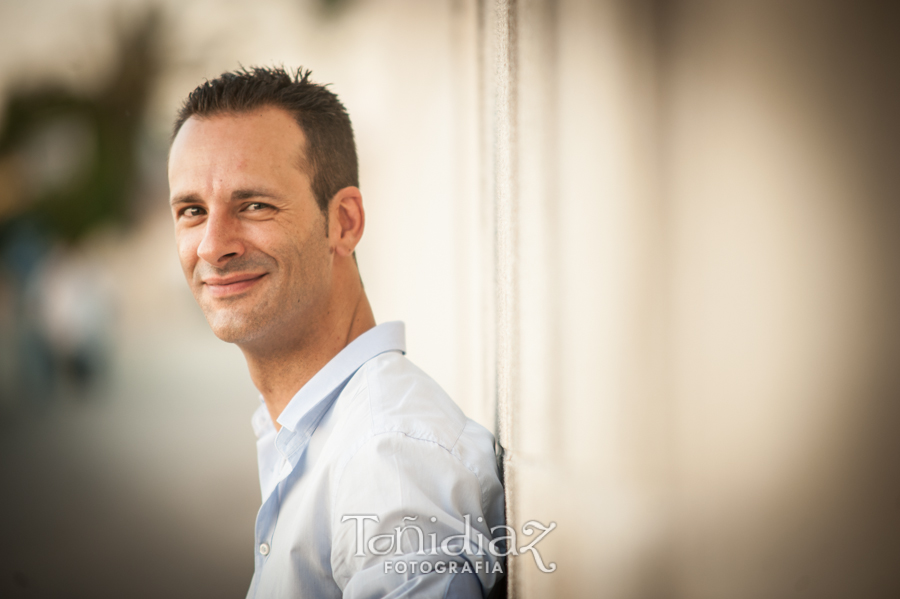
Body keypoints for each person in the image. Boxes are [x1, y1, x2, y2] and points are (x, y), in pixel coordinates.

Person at [167, 66, 505, 598]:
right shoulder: (320, 431)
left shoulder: (387, 458)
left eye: (253, 205)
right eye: (191, 211)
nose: (213, 246)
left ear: (343, 222)